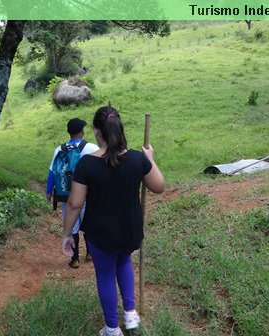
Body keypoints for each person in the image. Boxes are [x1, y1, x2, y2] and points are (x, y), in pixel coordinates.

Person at [61, 106, 165, 336]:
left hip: (101, 233)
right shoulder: (137, 159)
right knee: (124, 262)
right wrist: (150, 159)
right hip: (130, 230)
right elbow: (159, 186)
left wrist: (67, 234)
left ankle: (112, 328)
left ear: (98, 131)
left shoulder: (87, 164)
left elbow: (74, 204)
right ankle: (130, 314)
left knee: (106, 274)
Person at [47, 118, 99, 268]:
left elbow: (52, 172)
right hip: (86, 193)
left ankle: (75, 259)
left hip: (65, 194)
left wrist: (49, 191)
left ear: (69, 132)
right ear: (82, 131)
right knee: (87, 222)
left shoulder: (59, 149)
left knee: (73, 225)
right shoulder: (90, 147)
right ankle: (90, 253)